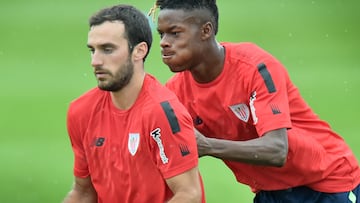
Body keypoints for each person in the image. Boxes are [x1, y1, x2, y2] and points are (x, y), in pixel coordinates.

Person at [150, 0, 360, 202]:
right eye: (161, 34)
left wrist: (207, 146)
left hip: (328, 185)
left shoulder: (254, 68)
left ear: (206, 31)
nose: (164, 43)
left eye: (175, 33)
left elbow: (277, 150)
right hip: (270, 193)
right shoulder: (175, 93)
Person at [63, 4, 205, 203]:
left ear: (139, 51)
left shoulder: (161, 113)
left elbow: (189, 195)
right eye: (92, 50)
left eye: (107, 49)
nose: (95, 61)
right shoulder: (81, 111)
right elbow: (83, 192)